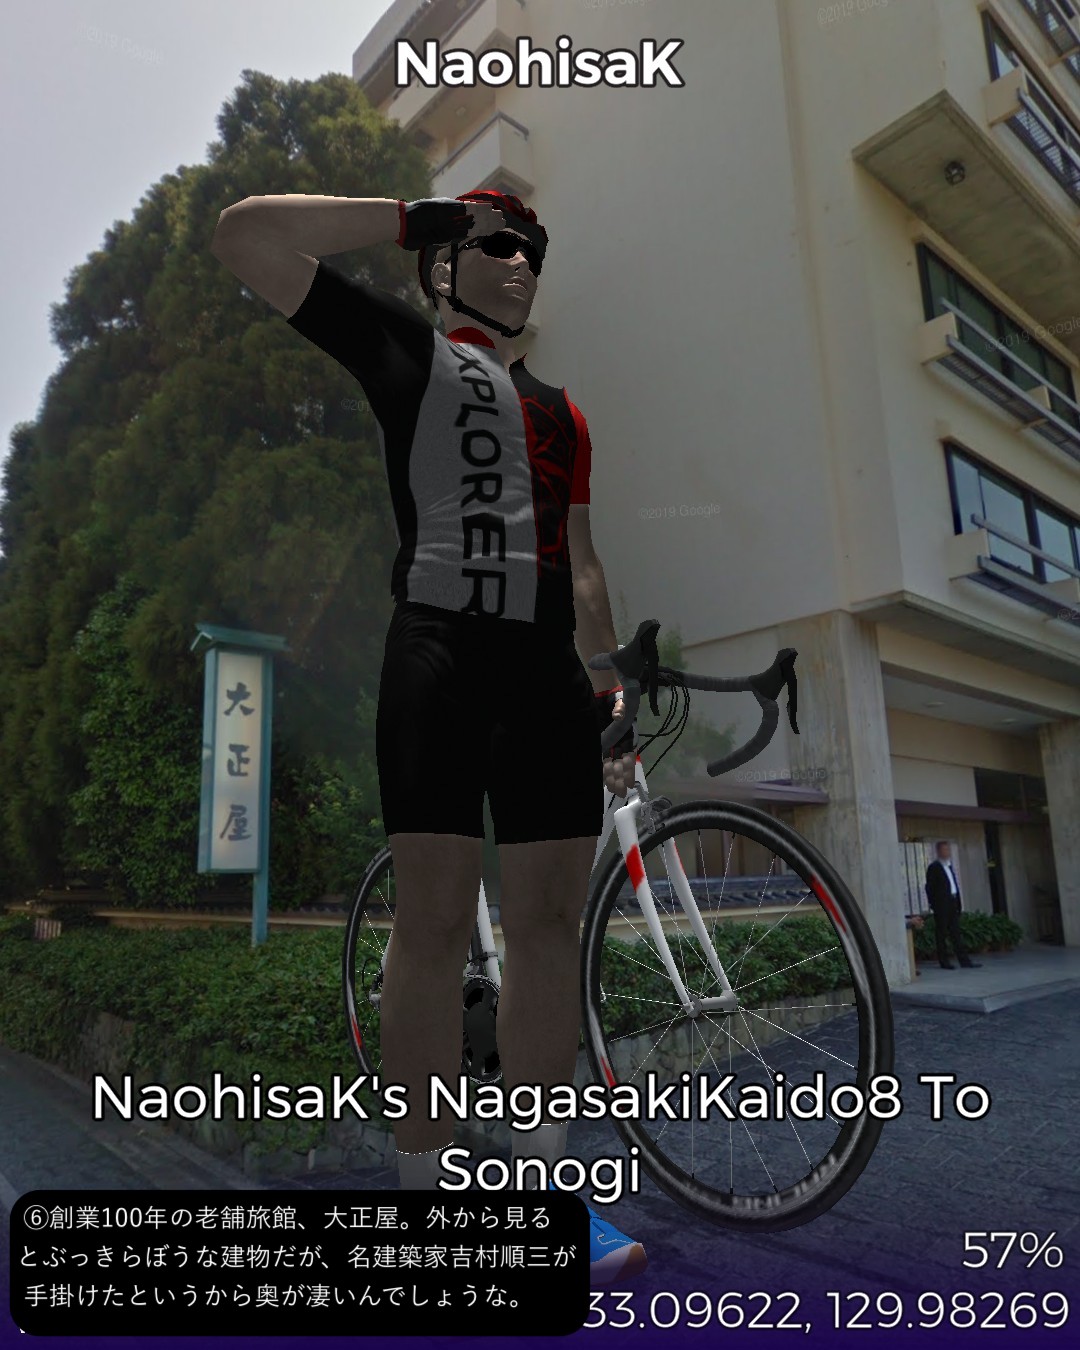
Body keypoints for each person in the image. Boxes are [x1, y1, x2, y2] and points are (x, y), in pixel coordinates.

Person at [210, 188, 646, 1282]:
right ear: (446, 263)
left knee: (547, 929)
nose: (522, 262)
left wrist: (608, 687)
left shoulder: (565, 410)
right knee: (436, 924)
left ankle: (544, 1200)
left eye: (534, 249)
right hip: (439, 650)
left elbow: (584, 560)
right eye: (500, 243)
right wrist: (415, 215)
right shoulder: (404, 347)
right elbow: (245, 234)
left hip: (546, 670)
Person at [924, 841, 981, 970]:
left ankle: (964, 960)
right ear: (938, 851)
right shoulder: (934, 867)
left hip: (952, 902)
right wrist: (934, 904)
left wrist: (958, 903)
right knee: (942, 933)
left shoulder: (949, 866)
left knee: (956, 932)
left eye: (948, 849)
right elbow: (930, 888)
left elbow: (953, 885)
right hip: (941, 905)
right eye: (944, 850)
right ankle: (944, 961)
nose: (947, 852)